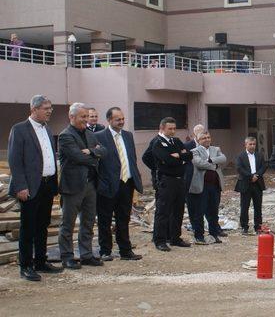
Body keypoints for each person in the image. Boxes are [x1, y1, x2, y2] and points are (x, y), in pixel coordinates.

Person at [8, 95, 63, 281]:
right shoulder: (20, 129)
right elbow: (15, 162)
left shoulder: (47, 129)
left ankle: (41, 261)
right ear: (34, 109)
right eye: (46, 108)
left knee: (42, 226)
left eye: (50, 108)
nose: (49, 111)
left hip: (47, 185)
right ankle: (25, 266)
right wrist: (20, 186)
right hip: (30, 187)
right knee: (28, 228)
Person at [57, 102, 106, 269]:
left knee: (88, 222)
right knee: (68, 223)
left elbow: (104, 151)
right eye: (82, 117)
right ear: (72, 117)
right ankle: (67, 256)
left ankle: (86, 255)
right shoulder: (65, 136)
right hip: (73, 186)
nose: (86, 120)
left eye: (87, 116)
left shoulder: (89, 134)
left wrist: (92, 151)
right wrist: (94, 154)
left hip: (90, 185)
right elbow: (78, 157)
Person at [94, 107, 143, 261]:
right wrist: (100, 183)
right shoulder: (99, 136)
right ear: (109, 120)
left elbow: (131, 158)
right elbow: (97, 163)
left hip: (126, 183)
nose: (121, 122)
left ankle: (125, 251)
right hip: (107, 185)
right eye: (117, 119)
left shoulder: (128, 136)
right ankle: (105, 250)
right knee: (105, 219)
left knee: (123, 218)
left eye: (122, 119)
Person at [151, 117, 193, 251]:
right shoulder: (157, 143)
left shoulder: (176, 141)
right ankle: (160, 240)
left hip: (180, 180)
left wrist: (179, 156)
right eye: (170, 129)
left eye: (174, 128)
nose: (173, 131)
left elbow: (189, 156)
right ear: (162, 128)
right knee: (163, 211)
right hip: (167, 180)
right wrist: (180, 158)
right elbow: (167, 160)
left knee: (178, 210)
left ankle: (175, 238)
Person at [187, 131, 227, 244]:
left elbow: (223, 158)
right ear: (198, 140)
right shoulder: (194, 151)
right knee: (199, 211)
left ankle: (214, 234)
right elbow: (199, 163)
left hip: (215, 186)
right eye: (204, 138)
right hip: (201, 186)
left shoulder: (216, 149)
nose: (207, 139)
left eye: (208, 137)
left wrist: (210, 160)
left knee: (214, 211)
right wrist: (215, 165)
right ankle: (199, 236)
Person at [235, 137, 267, 234]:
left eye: (254, 144)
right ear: (245, 145)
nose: (252, 146)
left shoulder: (259, 155)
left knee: (258, 207)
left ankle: (258, 227)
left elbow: (264, 166)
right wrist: (250, 176)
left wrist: (257, 175)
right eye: (250, 144)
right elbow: (239, 168)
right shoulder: (240, 156)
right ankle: (244, 227)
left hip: (257, 184)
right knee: (244, 207)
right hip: (245, 184)